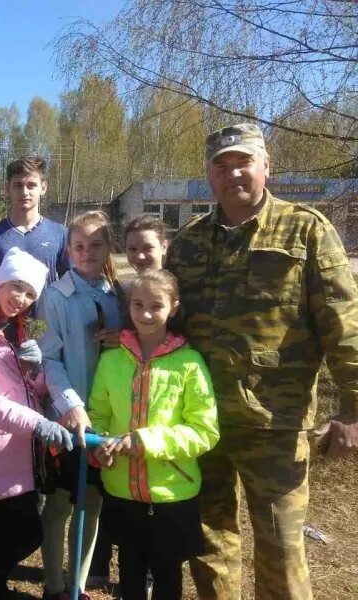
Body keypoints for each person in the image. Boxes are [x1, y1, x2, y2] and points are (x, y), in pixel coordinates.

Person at [167, 123, 358, 600]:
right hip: (200, 420)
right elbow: (168, 325)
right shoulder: (188, 242)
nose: (232, 172)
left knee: (280, 546)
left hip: (275, 422)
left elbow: (344, 325)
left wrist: (354, 408)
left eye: (242, 161)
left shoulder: (306, 229)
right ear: (209, 177)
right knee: (209, 543)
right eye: (221, 165)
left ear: (266, 166)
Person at [89, 269, 220, 600]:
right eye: (137, 304)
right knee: (130, 569)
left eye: (156, 306)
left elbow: (204, 431)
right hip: (121, 488)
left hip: (171, 493)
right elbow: (98, 414)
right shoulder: (111, 360)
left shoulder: (189, 363)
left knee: (166, 575)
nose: (145, 314)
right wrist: (99, 445)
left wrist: (146, 441)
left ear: (174, 307)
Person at [0, 246, 74, 600]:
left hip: (20, 447)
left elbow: (22, 389)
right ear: (0, 281)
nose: (20, 298)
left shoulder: (14, 327)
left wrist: (32, 371)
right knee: (23, 533)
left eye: (29, 293)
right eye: (15, 286)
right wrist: (37, 423)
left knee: (11, 533)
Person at [38, 211, 123, 600]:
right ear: (68, 251)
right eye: (79, 246)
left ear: (109, 247)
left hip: (107, 418)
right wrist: (69, 404)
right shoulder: (53, 296)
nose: (87, 252)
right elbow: (47, 358)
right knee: (59, 504)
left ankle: (78, 583)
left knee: (93, 502)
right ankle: (54, 586)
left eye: (96, 244)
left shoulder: (118, 295)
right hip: (66, 417)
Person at [87, 214, 172, 590]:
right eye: (133, 248)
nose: (139, 256)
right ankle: (104, 563)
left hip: (164, 396)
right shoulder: (119, 291)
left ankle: (154, 567)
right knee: (113, 480)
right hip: (120, 392)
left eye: (148, 248)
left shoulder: (172, 289)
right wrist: (116, 337)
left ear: (164, 248)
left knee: (156, 486)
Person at [0, 156, 69, 286]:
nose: (24, 192)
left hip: (49, 307)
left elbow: (71, 284)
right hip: (0, 307)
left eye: (31, 185)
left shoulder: (60, 234)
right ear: (7, 189)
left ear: (43, 188)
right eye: (18, 185)